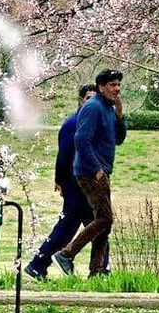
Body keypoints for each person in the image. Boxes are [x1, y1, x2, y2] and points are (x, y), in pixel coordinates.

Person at [24, 84, 110, 280]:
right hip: (76, 185)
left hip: (89, 185)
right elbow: (63, 155)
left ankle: (40, 264)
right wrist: (60, 180)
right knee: (91, 225)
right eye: (88, 98)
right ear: (81, 100)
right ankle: (98, 270)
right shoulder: (72, 124)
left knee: (82, 226)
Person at [53, 69, 126, 276]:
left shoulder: (108, 108)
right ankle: (67, 254)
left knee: (104, 221)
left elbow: (118, 140)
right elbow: (81, 140)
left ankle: (98, 270)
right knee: (105, 219)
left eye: (118, 84)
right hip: (90, 172)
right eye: (112, 85)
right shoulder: (93, 107)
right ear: (101, 87)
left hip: (101, 171)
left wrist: (120, 117)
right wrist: (96, 169)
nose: (117, 89)